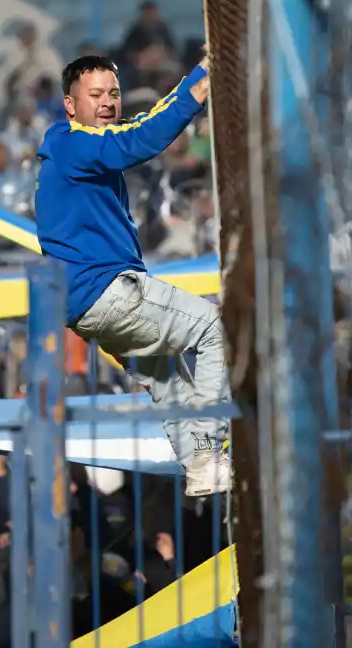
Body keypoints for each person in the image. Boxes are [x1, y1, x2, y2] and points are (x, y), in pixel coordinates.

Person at [34, 54, 230, 497]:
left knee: (167, 382)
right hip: (107, 291)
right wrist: (199, 82)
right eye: (96, 95)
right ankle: (207, 450)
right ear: (70, 104)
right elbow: (140, 137)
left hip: (85, 308)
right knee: (216, 328)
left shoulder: (70, 151)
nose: (108, 103)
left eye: (114, 94)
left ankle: (203, 469)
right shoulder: (73, 144)